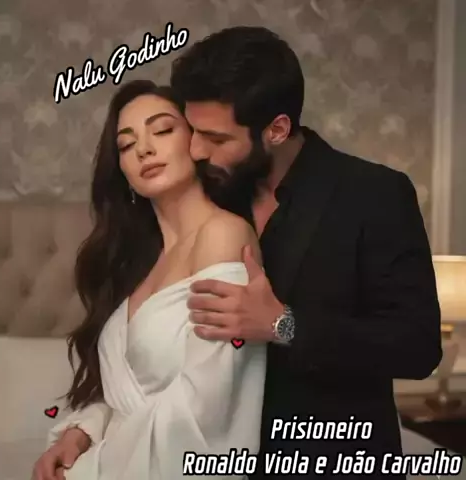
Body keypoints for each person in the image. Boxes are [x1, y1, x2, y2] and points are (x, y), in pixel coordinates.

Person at [169, 26, 442, 479]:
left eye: (216, 138)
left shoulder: (375, 194)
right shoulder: (203, 195)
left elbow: (417, 348)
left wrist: (283, 324)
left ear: (277, 130)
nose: (196, 150)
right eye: (193, 131)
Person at [31, 79, 266, 480]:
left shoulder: (222, 235)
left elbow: (205, 411)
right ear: (122, 170)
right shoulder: (136, 263)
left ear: (195, 141)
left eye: (162, 130)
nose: (143, 149)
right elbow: (129, 394)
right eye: (126, 144)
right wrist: (80, 433)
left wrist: (86, 471)